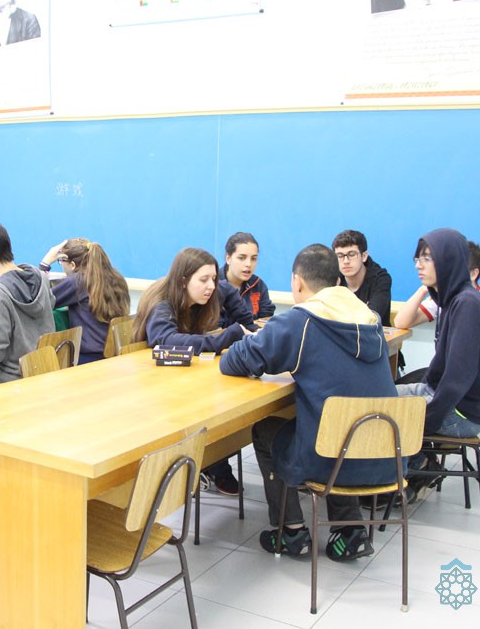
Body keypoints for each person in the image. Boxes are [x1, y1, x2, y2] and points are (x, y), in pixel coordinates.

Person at [220, 244, 398, 560]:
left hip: (331, 459)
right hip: (386, 455)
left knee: (267, 430)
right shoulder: (371, 320)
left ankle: (291, 531)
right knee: (338, 429)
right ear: (338, 282)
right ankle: (349, 530)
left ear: (297, 282)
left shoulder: (300, 322)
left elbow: (234, 362)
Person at [133, 247, 250, 495]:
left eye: (214, 279)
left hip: (181, 378)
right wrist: (226, 337)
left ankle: (212, 465)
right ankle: (210, 467)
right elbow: (167, 340)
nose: (211, 286)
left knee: (219, 405)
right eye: (204, 280)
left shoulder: (200, 299)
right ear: (183, 280)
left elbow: (227, 292)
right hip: (154, 389)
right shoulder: (162, 303)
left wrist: (246, 327)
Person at [395, 229, 480, 504]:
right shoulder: (451, 299)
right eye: (418, 258)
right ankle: (410, 469)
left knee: (382, 415)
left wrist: (425, 418)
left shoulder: (466, 304)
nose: (418, 265)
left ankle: (400, 479)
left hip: (461, 413)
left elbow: (458, 379)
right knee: (374, 398)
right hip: (442, 396)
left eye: (427, 258)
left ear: (448, 261)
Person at [394, 240, 480, 383]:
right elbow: (401, 322)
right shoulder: (446, 295)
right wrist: (424, 288)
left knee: (399, 394)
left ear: (473, 274)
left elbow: (464, 358)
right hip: (455, 371)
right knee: (394, 389)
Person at [0, 220, 55, 387]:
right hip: (44, 369)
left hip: (13, 378)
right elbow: (50, 304)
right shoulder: (40, 277)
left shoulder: (0, 293)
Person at [39, 237, 130, 364]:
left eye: (61, 262)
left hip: (87, 358)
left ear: (72, 265)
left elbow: (39, 302)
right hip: (114, 352)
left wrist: (44, 265)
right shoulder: (117, 278)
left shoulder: (78, 281)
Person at [332, 229, 392, 327]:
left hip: (373, 335)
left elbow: (371, 318)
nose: (346, 261)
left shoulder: (381, 279)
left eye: (352, 254)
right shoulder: (333, 278)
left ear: (364, 256)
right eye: (340, 256)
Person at [221, 232, 275, 320]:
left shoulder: (258, 285)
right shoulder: (214, 285)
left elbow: (266, 320)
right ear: (228, 258)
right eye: (241, 258)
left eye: (253, 259)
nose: (248, 264)